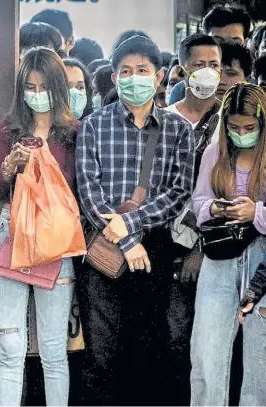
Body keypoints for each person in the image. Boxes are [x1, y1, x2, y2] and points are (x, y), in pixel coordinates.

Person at [76, 35, 194, 406]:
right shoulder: (95, 125)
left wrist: (131, 224)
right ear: (113, 78)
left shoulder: (178, 130)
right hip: (104, 247)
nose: (133, 78)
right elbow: (88, 191)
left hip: (155, 246)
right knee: (102, 348)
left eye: (142, 70)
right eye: (125, 71)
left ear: (159, 77)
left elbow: (179, 191)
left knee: (150, 345)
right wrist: (126, 241)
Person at [0, 47, 79, 407]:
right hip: (12, 231)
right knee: (11, 347)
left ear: (58, 89)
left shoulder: (72, 133)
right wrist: (11, 166)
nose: (36, 94)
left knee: (54, 350)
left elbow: (77, 191)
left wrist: (46, 168)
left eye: (44, 87)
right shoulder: (8, 131)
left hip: (55, 239)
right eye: (30, 86)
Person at [190, 83, 266, 407]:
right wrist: (216, 208)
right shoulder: (215, 152)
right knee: (207, 355)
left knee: (260, 362)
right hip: (220, 256)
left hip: (261, 260)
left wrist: (256, 211)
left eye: (249, 128)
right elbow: (198, 202)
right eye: (234, 127)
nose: (241, 133)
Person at [161, 32, 223, 406]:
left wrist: (201, 248)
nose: (207, 73)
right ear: (183, 69)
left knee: (211, 344)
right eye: (199, 65)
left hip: (216, 248)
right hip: (165, 246)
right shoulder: (163, 121)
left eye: (214, 65)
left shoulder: (230, 123)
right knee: (172, 337)